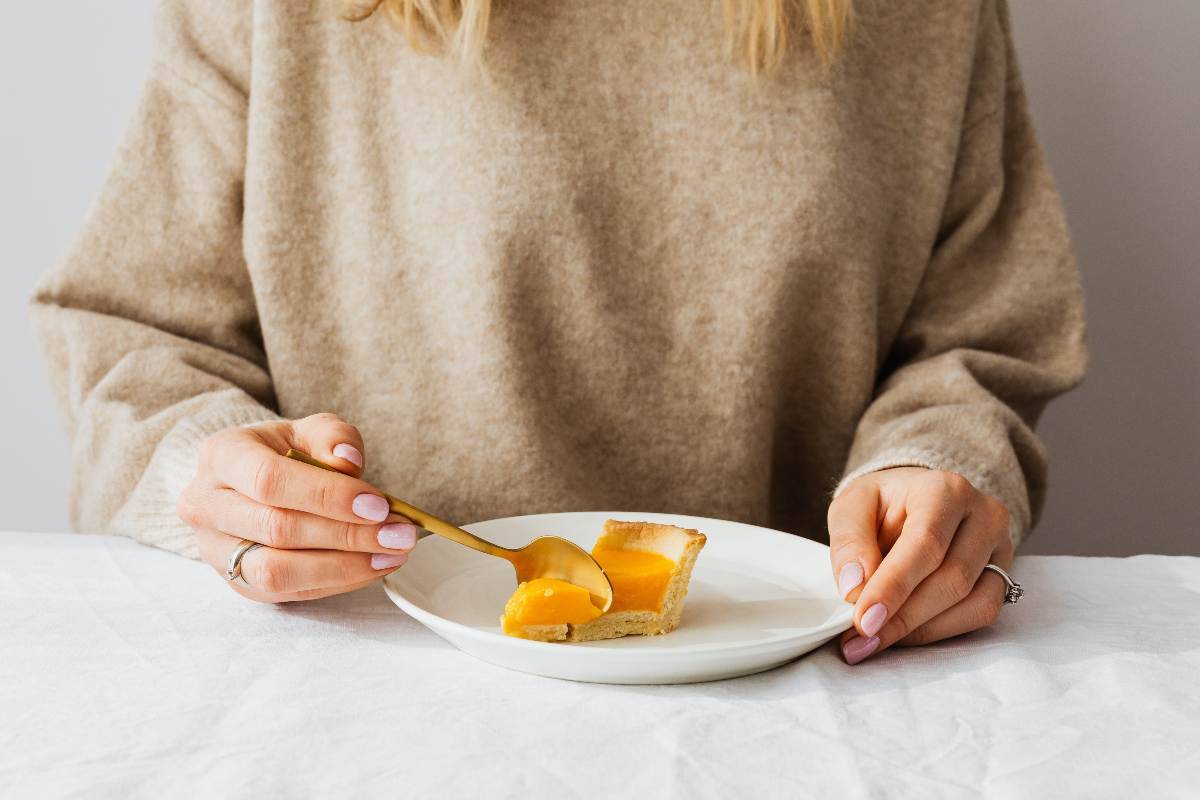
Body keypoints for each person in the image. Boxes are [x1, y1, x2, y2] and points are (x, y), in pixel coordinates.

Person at [30, 0, 1086, 666]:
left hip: (803, 692)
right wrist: (217, 481)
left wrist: (933, 467)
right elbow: (132, 336)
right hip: (369, 682)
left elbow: (981, 336)